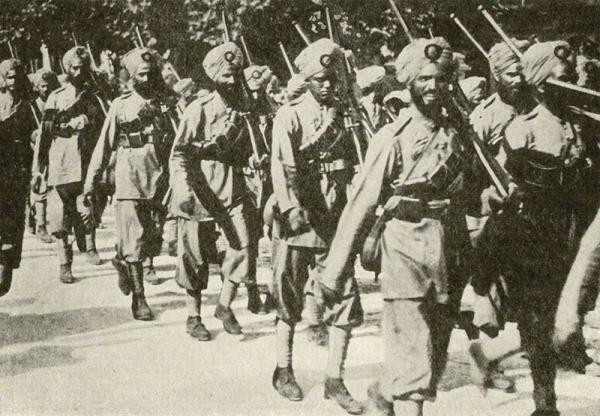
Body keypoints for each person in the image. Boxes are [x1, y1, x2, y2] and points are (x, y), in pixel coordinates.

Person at [320, 37, 466, 416]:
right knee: (412, 351)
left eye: (438, 79)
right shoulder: (391, 138)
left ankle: (383, 392)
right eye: (423, 79)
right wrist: (335, 270)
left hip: (448, 249)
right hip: (404, 247)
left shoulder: (457, 133)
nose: (433, 87)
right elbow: (362, 203)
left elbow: (471, 188)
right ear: (409, 84)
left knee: (434, 352)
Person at [474, 41, 591, 416]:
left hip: (573, 227)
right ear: (540, 84)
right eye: (561, 80)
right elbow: (496, 189)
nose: (568, 84)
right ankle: (545, 399)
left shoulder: (582, 125)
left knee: (571, 308)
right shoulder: (521, 130)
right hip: (532, 234)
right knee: (536, 318)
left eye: (571, 78)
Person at [270, 38, 363, 414]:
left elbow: (360, 162)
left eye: (332, 78)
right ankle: (283, 369)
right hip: (300, 220)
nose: (327, 85)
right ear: (306, 78)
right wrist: (292, 207)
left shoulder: (348, 114)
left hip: (335, 221)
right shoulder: (289, 116)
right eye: (320, 79)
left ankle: (334, 378)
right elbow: (284, 169)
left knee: (344, 300)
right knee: (288, 299)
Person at [168, 41, 258, 337]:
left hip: (233, 187)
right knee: (193, 256)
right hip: (200, 189)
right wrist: (181, 190)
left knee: (242, 247)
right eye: (226, 77)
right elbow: (179, 154)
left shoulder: (246, 108)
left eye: (236, 75)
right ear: (214, 77)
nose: (232, 81)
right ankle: (193, 316)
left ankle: (225, 304)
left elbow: (254, 147)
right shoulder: (199, 109)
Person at [84, 47, 174, 321]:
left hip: (158, 178)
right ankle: (140, 298)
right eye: (142, 75)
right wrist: (90, 183)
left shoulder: (166, 103)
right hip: (129, 177)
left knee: (153, 238)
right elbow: (103, 146)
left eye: (151, 74)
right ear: (133, 76)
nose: (147, 79)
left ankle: (122, 261)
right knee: (134, 239)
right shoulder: (120, 105)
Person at [465, 39, 533, 391]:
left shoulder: (535, 106)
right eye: (511, 73)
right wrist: (487, 200)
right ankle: (488, 358)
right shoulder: (484, 117)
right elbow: (469, 175)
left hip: (533, 213)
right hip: (495, 217)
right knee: (491, 300)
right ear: (495, 75)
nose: (519, 79)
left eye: (523, 71)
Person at [36, 46, 105, 284]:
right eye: (74, 68)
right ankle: (64, 263)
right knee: (58, 218)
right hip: (60, 165)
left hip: (84, 165)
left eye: (83, 68)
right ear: (67, 69)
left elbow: (101, 133)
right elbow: (45, 136)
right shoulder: (56, 97)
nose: (79, 72)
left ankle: (90, 246)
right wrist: (39, 169)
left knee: (87, 211)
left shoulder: (92, 98)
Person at [0, 58, 38, 296]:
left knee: (13, 219)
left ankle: (6, 263)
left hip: (17, 168)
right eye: (9, 77)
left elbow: (37, 132)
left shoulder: (29, 105)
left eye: (16, 77)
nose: (13, 82)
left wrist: (37, 136)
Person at [29, 68, 60, 244]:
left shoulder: (56, 102)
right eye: (42, 86)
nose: (46, 89)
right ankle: (40, 225)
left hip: (53, 148)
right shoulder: (32, 105)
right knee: (38, 187)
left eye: (49, 86)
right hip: (33, 150)